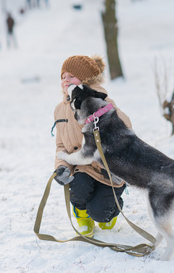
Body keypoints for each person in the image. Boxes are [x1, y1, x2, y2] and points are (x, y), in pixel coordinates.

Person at [52, 55, 131, 238]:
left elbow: (126, 129)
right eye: (63, 76)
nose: (66, 80)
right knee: (77, 187)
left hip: (108, 170)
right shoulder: (60, 109)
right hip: (83, 167)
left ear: (86, 79)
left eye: (71, 76)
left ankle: (109, 209)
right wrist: (61, 167)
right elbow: (61, 145)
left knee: (100, 213)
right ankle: (82, 216)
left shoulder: (102, 101)